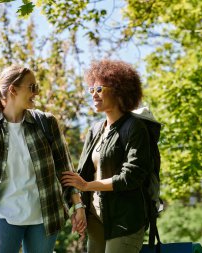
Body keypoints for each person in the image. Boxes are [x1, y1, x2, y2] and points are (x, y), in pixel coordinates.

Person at [0, 65, 86, 253]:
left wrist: (78, 205)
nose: (36, 93)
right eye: (32, 87)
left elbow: (66, 170)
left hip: (45, 216)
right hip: (4, 216)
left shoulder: (46, 123)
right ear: (13, 90)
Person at [62, 59, 150, 253]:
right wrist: (79, 209)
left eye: (99, 89)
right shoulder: (94, 130)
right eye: (91, 90)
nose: (93, 94)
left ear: (120, 90)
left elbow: (132, 176)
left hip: (125, 221)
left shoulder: (135, 127)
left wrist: (87, 186)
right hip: (96, 221)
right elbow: (81, 174)